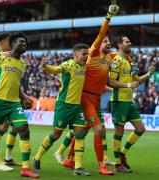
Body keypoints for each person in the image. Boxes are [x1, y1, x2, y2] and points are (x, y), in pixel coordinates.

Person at [54, 4, 119, 175]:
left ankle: (68, 157)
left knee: (83, 130)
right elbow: (101, 34)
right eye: (106, 41)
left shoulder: (109, 57)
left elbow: (121, 55)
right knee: (100, 130)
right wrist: (108, 17)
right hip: (86, 97)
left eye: (109, 42)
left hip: (97, 98)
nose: (108, 42)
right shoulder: (94, 51)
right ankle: (102, 165)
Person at [0, 32, 39, 178]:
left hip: (13, 104)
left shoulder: (23, 64)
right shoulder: (0, 56)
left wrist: (24, 97)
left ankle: (25, 169)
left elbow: (16, 84)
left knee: (24, 129)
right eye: (21, 42)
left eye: (25, 43)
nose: (24, 44)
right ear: (12, 44)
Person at [33, 43, 91, 176]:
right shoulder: (68, 65)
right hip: (64, 106)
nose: (86, 56)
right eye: (83, 54)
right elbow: (53, 70)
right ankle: (37, 158)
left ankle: (78, 167)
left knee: (80, 134)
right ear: (76, 55)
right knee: (56, 135)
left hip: (77, 107)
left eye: (87, 54)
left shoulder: (85, 68)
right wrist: (45, 66)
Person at [109, 35, 155, 173]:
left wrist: (147, 74)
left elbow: (137, 80)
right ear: (119, 45)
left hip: (128, 102)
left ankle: (122, 153)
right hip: (119, 101)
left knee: (140, 129)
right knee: (119, 133)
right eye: (127, 42)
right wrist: (129, 84)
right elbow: (111, 82)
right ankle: (118, 164)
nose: (130, 43)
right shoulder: (116, 61)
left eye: (129, 41)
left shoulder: (130, 62)